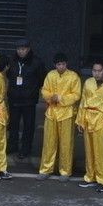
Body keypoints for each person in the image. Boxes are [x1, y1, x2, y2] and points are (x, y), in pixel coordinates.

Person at [76, 59, 103, 193]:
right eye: (94, 70)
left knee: (101, 152)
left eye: (99, 71)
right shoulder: (88, 83)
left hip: (102, 122)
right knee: (89, 151)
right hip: (88, 118)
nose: (96, 73)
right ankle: (90, 177)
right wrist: (80, 120)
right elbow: (83, 102)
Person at [37, 52, 82, 181]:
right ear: (54, 65)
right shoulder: (50, 75)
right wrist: (51, 97)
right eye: (58, 64)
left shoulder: (73, 77)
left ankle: (65, 171)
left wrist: (60, 98)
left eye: (62, 64)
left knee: (66, 143)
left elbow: (76, 95)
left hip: (66, 113)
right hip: (52, 112)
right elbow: (44, 90)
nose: (61, 66)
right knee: (49, 142)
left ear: (66, 64)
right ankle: (46, 169)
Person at [6, 38, 46, 160]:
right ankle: (12, 145)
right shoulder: (12, 61)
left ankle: (25, 148)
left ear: (28, 49)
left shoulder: (36, 62)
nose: (20, 52)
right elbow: (9, 75)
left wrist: (32, 90)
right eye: (18, 49)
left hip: (29, 100)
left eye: (23, 49)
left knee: (28, 125)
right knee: (13, 124)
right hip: (14, 98)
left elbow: (42, 79)